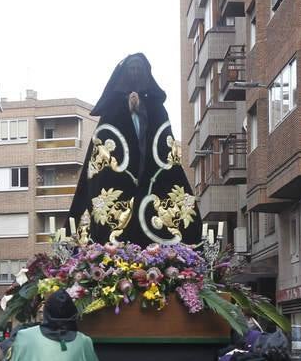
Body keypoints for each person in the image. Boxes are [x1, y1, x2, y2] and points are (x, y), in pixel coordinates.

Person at [67, 53, 202, 246]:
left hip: (151, 174)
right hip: (119, 180)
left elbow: (165, 143)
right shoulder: (112, 109)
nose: (135, 73)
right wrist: (126, 107)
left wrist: (141, 109)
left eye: (139, 70)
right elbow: (104, 142)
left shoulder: (156, 108)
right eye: (132, 69)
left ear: (146, 74)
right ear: (124, 74)